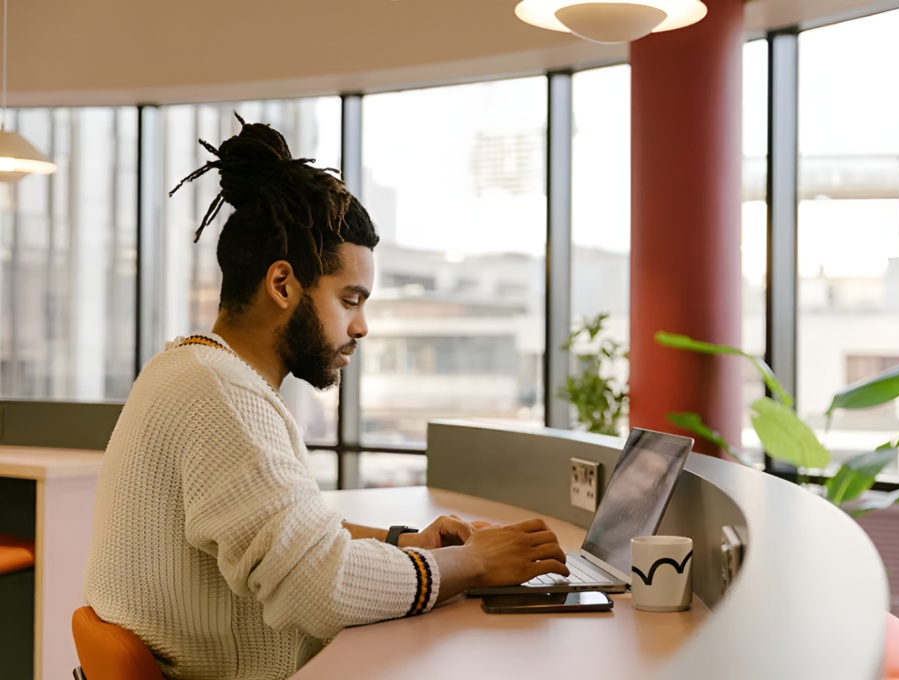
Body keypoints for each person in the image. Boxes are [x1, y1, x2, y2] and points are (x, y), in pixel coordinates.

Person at [83, 116, 569, 680]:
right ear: (283, 284)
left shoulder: (192, 368)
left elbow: (296, 532)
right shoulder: (219, 395)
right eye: (350, 299)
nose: (361, 327)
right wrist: (470, 562)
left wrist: (409, 542)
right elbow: (315, 589)